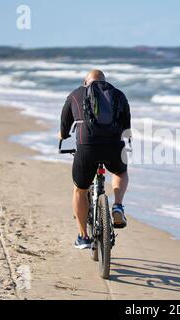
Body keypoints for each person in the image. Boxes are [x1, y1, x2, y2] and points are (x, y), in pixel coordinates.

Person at [59, 69, 131, 249]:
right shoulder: (118, 95)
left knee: (80, 190)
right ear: (105, 82)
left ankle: (83, 236)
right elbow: (126, 127)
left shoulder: (76, 94)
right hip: (113, 147)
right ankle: (118, 206)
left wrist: (62, 136)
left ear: (85, 82)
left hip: (87, 148)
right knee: (120, 171)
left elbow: (64, 125)